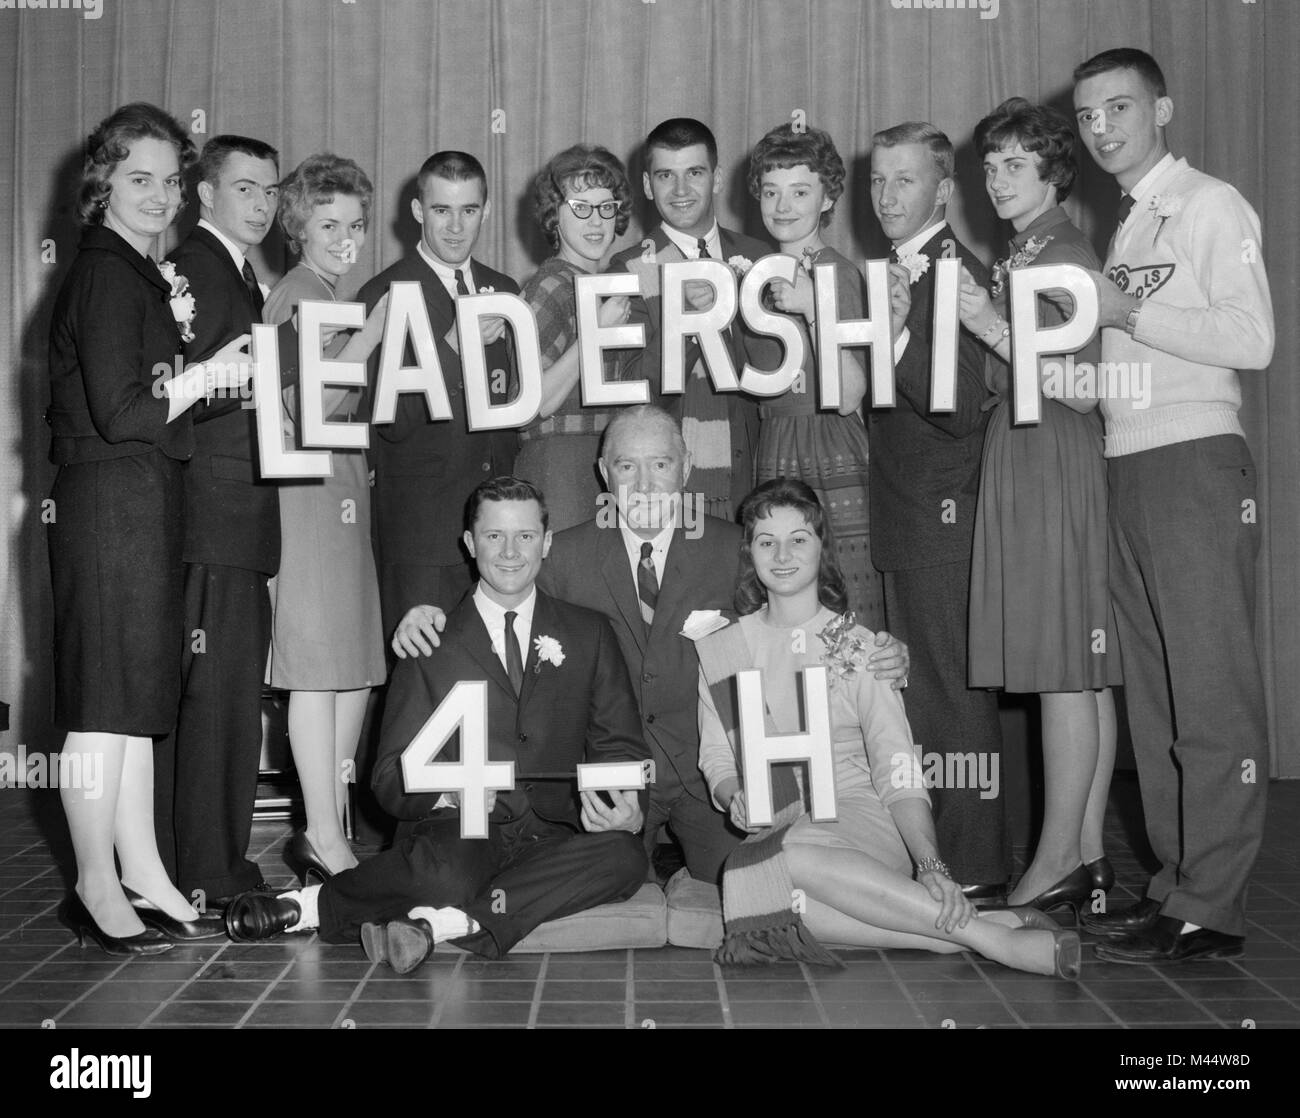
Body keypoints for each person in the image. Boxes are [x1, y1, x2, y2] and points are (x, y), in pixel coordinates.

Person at [392, 404, 909, 887]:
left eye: (660, 464)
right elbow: (502, 588)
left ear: (685, 469)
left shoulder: (736, 549)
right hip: (604, 781)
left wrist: (877, 654)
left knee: (752, 886)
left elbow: (802, 614)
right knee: (596, 887)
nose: (643, 485)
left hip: (709, 778)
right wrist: (432, 615)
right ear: (603, 473)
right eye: (626, 467)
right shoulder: (564, 555)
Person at [223, 478, 650, 972]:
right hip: (461, 833)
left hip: (557, 831)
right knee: (447, 874)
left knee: (626, 858)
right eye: (493, 536)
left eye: (526, 536)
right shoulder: (429, 640)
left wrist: (628, 810)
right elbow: (386, 779)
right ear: (470, 544)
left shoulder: (590, 632)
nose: (510, 552)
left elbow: (619, 744)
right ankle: (309, 907)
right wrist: (449, 794)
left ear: (547, 541)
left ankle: (443, 925)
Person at [695, 478, 1079, 978]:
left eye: (799, 539)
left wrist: (930, 865)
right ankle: (971, 935)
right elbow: (716, 760)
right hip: (787, 824)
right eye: (767, 541)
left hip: (864, 820)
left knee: (775, 861)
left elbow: (897, 765)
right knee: (754, 894)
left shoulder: (859, 647)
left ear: (822, 549)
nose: (783, 554)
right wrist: (733, 794)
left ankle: (989, 941)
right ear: (751, 552)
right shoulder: (723, 649)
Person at [1071, 49, 1274, 963]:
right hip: (1130, 461)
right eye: (1086, 116)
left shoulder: (1207, 203)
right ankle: (1175, 884)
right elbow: (1122, 352)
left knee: (1210, 688)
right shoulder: (1126, 222)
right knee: (1152, 695)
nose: (1102, 127)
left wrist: (1123, 311)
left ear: (1164, 108)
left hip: (1194, 459)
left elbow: (1253, 338)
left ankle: (1214, 899)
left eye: (1119, 107)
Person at [46, 103, 249, 951]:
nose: (161, 196)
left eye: (171, 181)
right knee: (102, 705)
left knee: (132, 703)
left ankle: (143, 871)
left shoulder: (135, 271)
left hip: (143, 503)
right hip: (108, 507)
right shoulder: (102, 273)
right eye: (141, 179)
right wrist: (210, 377)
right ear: (103, 184)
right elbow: (123, 410)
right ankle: (96, 883)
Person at [954, 99, 1122, 913]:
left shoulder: (1060, 254)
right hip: (1031, 452)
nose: (996, 180)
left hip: (1048, 453)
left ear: (1055, 171)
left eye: (1015, 164)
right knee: (1081, 677)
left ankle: (1056, 862)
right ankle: (1087, 857)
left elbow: (1087, 391)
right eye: (989, 166)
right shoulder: (1028, 250)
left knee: (1062, 671)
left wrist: (987, 326)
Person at [867, 122, 1008, 901]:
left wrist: (886, 338)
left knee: (950, 699)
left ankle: (977, 875)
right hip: (910, 516)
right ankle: (952, 862)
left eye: (905, 180)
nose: (887, 196)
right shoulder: (907, 268)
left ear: (943, 190)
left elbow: (955, 408)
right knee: (925, 695)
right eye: (879, 181)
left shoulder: (951, 270)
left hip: (940, 517)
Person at [154, 133, 283, 913]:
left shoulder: (236, 273)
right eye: (246, 189)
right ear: (204, 194)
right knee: (213, 705)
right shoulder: (195, 272)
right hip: (212, 520)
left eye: (270, 192)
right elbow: (179, 394)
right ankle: (205, 870)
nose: (262, 205)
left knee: (228, 702)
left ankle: (211, 863)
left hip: (237, 521)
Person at [262, 154, 391, 879]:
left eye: (356, 223)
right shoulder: (298, 295)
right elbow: (304, 411)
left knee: (354, 671)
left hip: (341, 496)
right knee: (317, 672)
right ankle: (322, 832)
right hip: (308, 499)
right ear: (298, 227)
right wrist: (369, 342)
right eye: (329, 223)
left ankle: (330, 825)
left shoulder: (326, 295)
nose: (346, 236)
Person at [360, 151, 519, 638]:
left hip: (498, 536)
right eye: (441, 210)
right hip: (423, 538)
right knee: (422, 690)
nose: (455, 227)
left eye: (468, 210)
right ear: (416, 211)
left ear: (486, 211)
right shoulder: (383, 295)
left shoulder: (504, 288)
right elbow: (385, 424)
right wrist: (453, 347)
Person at [747, 122, 886, 629]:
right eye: (771, 192)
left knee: (842, 599)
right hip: (776, 442)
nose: (783, 206)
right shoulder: (756, 278)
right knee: (785, 607)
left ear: (826, 198)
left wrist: (813, 308)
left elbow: (851, 394)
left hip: (831, 444)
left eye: (800, 191)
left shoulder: (836, 272)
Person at [607, 118, 777, 520]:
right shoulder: (626, 267)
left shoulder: (758, 256)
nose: (681, 191)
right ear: (648, 185)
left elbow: (775, 375)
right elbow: (633, 393)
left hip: (756, 472)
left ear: (717, 178)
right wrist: (682, 325)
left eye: (694, 173)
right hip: (673, 489)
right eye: (666, 175)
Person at [514, 144, 634, 532]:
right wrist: (595, 334)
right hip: (558, 467)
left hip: (599, 462)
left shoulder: (596, 285)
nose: (596, 221)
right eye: (581, 208)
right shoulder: (551, 286)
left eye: (605, 206)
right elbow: (529, 406)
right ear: (555, 216)